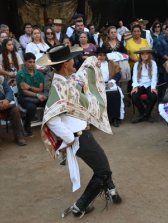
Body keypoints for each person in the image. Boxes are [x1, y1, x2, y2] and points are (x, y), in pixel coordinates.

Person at [37, 45, 121, 218]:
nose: (74, 61)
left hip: (82, 134)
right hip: (79, 138)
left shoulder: (67, 80)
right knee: (102, 170)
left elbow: (82, 77)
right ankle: (80, 205)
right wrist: (71, 138)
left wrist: (93, 63)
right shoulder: (58, 87)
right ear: (65, 64)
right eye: (71, 59)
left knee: (101, 162)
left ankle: (111, 190)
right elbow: (52, 119)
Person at [16, 53, 47, 136]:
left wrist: (29, 87)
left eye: (33, 62)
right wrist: (37, 94)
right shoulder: (20, 74)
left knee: (49, 102)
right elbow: (24, 91)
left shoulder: (39, 74)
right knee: (31, 107)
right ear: (25, 62)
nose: (32, 64)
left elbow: (40, 89)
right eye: (30, 62)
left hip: (37, 96)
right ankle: (27, 125)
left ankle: (50, 124)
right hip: (24, 97)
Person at [96, 47, 124, 127]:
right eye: (100, 55)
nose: (101, 57)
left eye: (103, 55)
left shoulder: (111, 63)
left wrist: (112, 81)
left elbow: (118, 74)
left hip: (110, 83)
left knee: (115, 94)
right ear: (97, 55)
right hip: (97, 85)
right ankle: (104, 119)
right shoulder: (93, 64)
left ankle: (115, 118)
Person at [131, 47, 158, 123]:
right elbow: (134, 76)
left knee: (153, 96)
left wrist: (153, 87)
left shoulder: (153, 63)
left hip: (149, 83)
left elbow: (154, 76)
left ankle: (143, 116)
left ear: (149, 54)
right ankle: (145, 114)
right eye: (142, 54)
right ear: (140, 55)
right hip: (140, 84)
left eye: (146, 53)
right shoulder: (137, 64)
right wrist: (135, 86)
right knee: (134, 97)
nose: (145, 55)